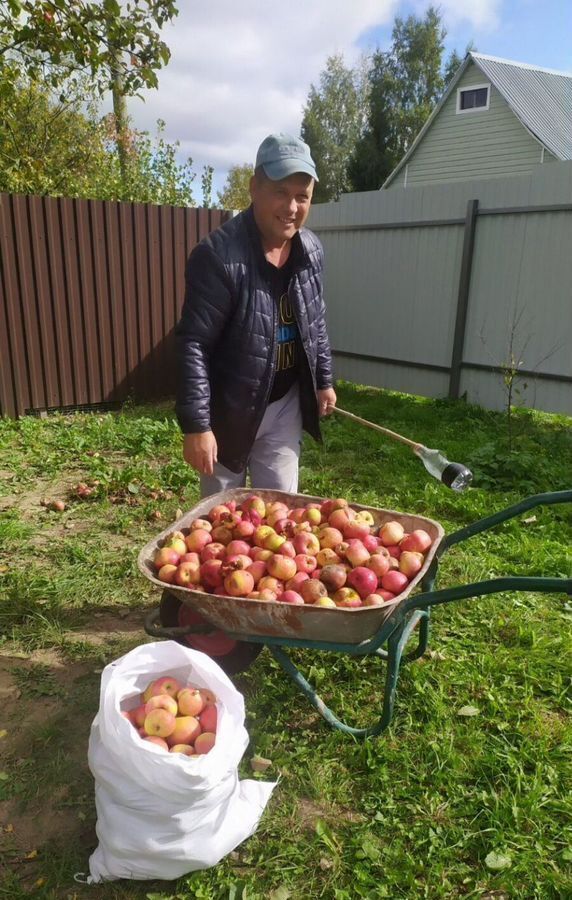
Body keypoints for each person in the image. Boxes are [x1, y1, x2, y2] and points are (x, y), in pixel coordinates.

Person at [175, 132, 337, 498]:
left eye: (302, 196)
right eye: (281, 192)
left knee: (282, 513)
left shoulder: (310, 249)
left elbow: (316, 320)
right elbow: (193, 344)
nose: (292, 207)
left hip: (284, 405)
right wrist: (197, 426)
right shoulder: (218, 256)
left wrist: (323, 380)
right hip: (229, 409)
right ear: (254, 188)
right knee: (222, 517)